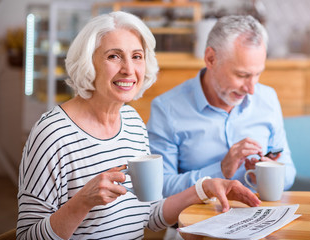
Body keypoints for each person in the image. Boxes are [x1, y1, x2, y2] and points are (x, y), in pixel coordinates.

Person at [17, 11, 261, 240]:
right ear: (88, 62)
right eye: (114, 56)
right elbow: (26, 235)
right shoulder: (52, 133)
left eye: (136, 56)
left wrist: (204, 188)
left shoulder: (132, 123)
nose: (129, 70)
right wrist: (82, 201)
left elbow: (150, 215)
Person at [147, 15, 296, 198]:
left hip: (260, 216)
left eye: (257, 74)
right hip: (199, 220)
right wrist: (221, 170)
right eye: (242, 75)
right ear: (210, 59)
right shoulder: (167, 109)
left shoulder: (268, 98)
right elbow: (162, 187)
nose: (251, 89)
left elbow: (289, 173)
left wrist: (265, 173)